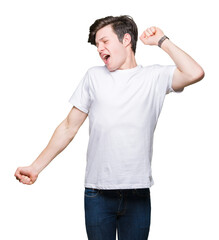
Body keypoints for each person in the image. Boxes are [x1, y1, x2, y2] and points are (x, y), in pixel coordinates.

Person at [15, 15, 204, 240]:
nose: (99, 48)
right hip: (97, 194)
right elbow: (68, 127)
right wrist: (35, 168)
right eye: (97, 45)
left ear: (126, 40)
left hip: (137, 193)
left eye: (104, 41)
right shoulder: (94, 77)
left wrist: (162, 40)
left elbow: (195, 73)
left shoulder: (154, 77)